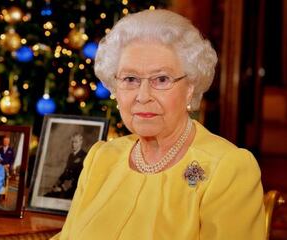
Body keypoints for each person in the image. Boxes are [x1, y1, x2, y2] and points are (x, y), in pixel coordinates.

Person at [52, 9, 265, 240]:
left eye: (161, 79)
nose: (143, 96)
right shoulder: (101, 158)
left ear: (190, 87)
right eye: (130, 79)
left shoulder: (228, 169)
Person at [45, 133, 87, 199]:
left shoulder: (84, 156)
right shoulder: (71, 156)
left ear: (81, 142)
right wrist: (57, 183)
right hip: (65, 186)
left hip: (74, 188)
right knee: (47, 196)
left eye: (76, 142)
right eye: (72, 142)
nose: (73, 144)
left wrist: (62, 188)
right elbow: (66, 172)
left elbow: (79, 176)